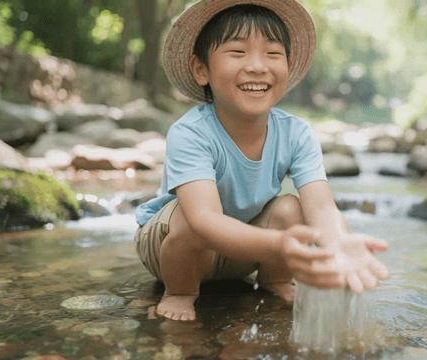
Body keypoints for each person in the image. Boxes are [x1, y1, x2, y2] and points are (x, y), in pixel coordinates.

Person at [134, 0, 390, 322]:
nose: (257, 66)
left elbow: (321, 207)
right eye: (238, 52)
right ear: (202, 70)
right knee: (189, 218)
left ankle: (276, 280)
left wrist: (339, 242)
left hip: (246, 246)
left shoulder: (296, 133)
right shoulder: (191, 133)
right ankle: (181, 291)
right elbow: (204, 220)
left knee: (292, 208)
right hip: (173, 248)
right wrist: (280, 243)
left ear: (288, 64)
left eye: (272, 54)